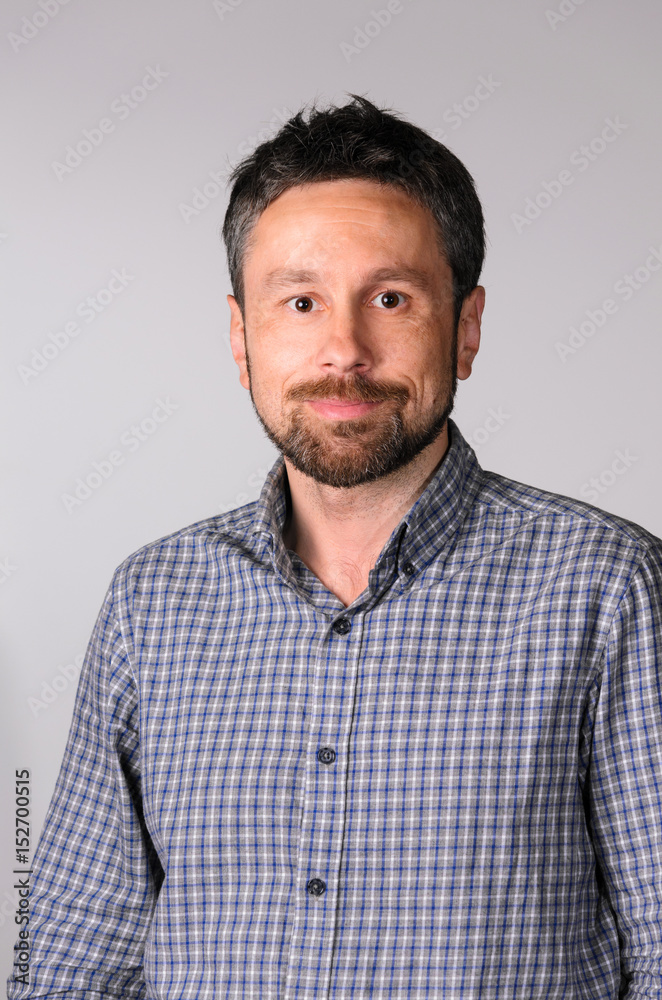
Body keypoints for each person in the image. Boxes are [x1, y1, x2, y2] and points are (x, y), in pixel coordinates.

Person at [8, 94, 662, 999]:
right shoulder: (150, 601)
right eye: (301, 301)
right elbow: (75, 960)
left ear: (465, 328)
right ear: (243, 338)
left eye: (389, 298)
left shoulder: (606, 585)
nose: (343, 350)